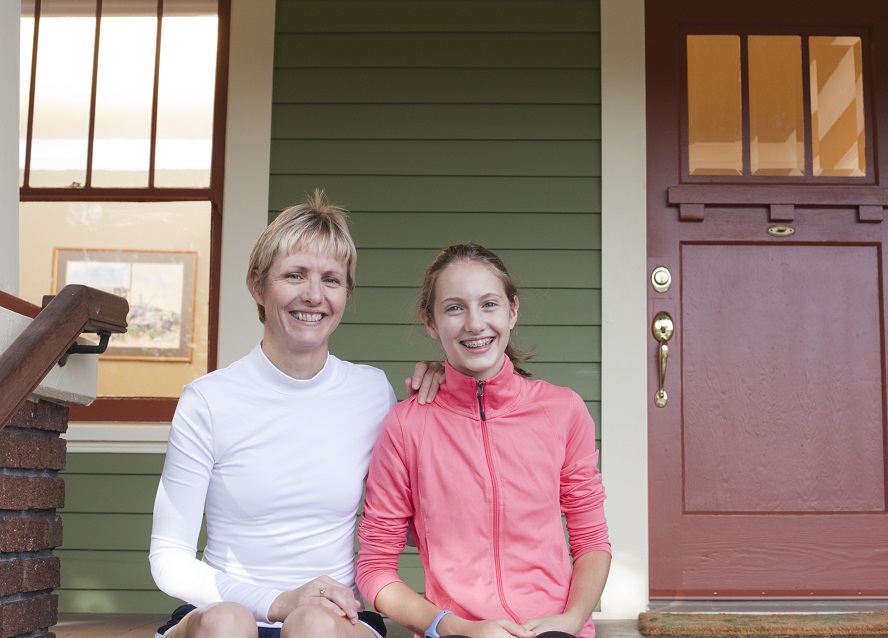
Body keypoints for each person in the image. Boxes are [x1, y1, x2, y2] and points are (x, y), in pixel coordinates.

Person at [149, 190, 443, 638]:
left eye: (331, 279)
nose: (313, 295)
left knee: (312, 625)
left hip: (337, 617)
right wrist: (278, 600)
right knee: (229, 621)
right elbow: (168, 558)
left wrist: (452, 388)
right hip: (226, 612)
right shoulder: (208, 400)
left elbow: (406, 525)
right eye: (294, 275)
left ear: (346, 293)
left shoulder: (371, 392)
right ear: (257, 286)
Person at [356, 243, 611, 638]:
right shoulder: (406, 427)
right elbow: (375, 569)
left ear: (512, 310)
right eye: (455, 308)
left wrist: (573, 620)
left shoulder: (562, 410)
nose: (475, 324)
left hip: (555, 630)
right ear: (430, 321)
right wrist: (455, 627)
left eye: (489, 304)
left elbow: (591, 538)